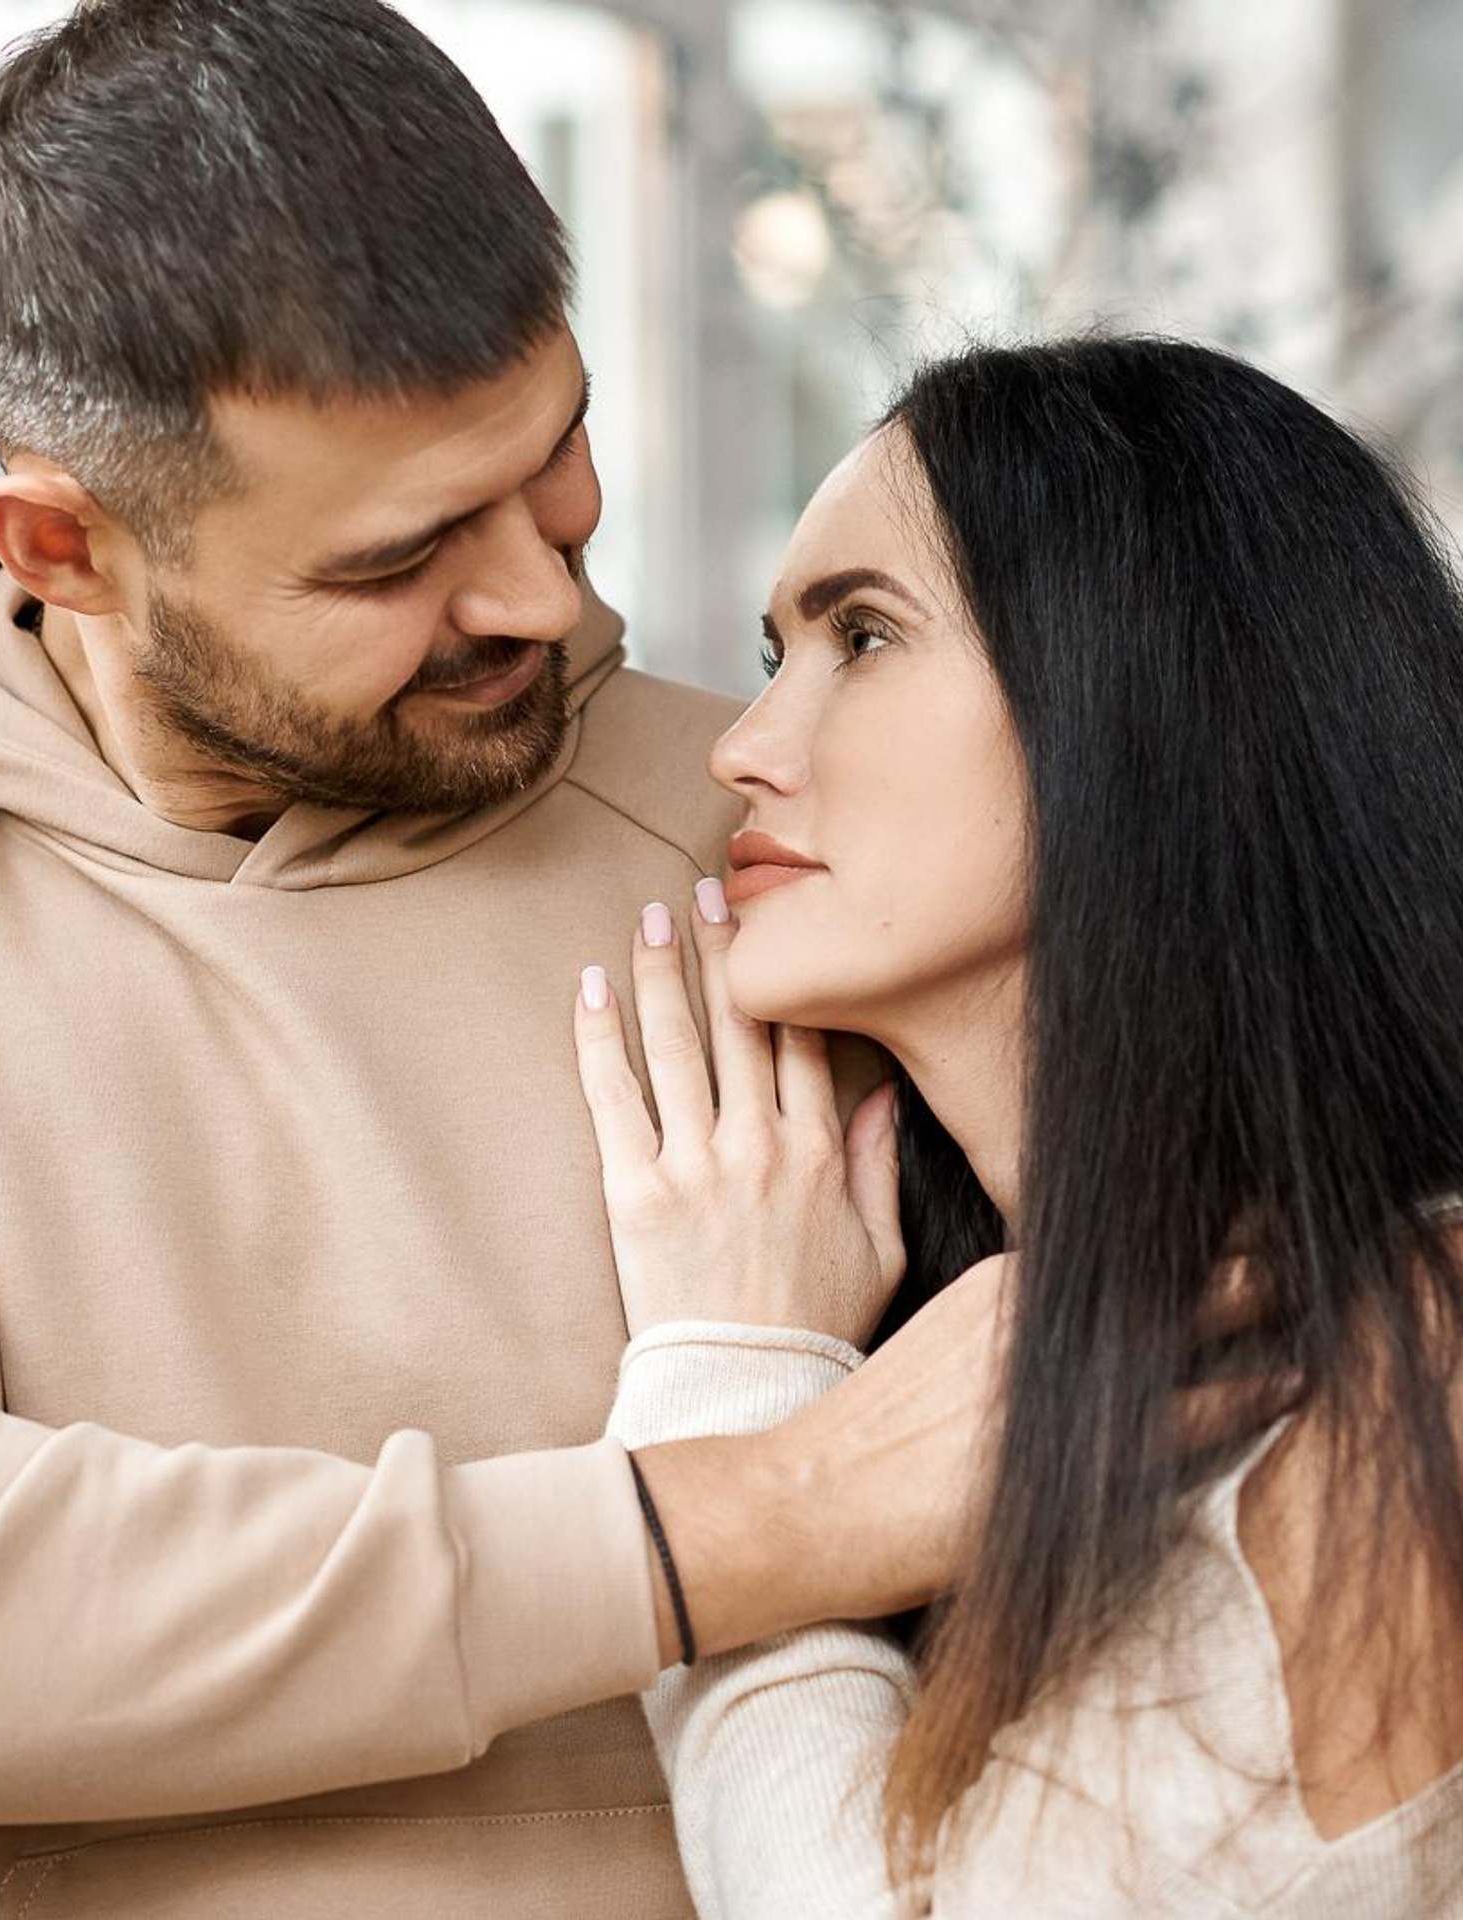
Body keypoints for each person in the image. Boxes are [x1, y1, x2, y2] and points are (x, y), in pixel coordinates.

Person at [0, 3, 991, 1915]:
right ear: (60, 548)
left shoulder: (788, 828)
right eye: (399, 558)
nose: (542, 596)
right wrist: (753, 1515)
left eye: (554, 459)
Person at [571, 336, 1463, 1915]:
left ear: (1149, 690)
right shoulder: (1074, 1342)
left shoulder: (1408, 1367)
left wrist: (735, 1385)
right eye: (779, 654)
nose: (744, 746)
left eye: (863, 633)